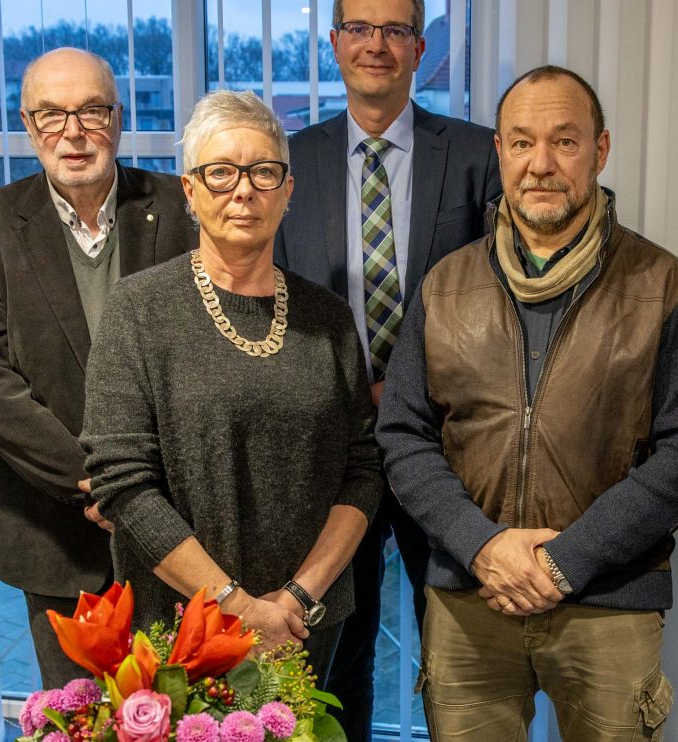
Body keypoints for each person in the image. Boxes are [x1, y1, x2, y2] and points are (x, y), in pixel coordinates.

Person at [377, 65, 678, 741]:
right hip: (468, 597)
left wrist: (569, 558)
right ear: (499, 152)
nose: (541, 163)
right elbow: (403, 435)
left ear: (600, 150)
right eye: (522, 142)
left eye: (565, 142)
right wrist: (483, 548)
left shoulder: (664, 285)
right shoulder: (444, 286)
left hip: (609, 603)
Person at [79, 90, 382, 684]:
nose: (243, 190)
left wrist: (293, 598)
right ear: (190, 191)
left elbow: (363, 467)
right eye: (220, 173)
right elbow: (123, 481)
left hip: (306, 621)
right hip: (182, 621)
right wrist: (239, 606)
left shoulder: (328, 316)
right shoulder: (138, 310)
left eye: (264, 172)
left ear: (287, 191)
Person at [274, 0, 501, 736]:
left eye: (395, 30)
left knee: (464, 653)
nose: (377, 45)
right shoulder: (288, 162)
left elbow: (501, 302)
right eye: (360, 30)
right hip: (330, 453)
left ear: (419, 46)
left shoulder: (476, 155)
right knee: (335, 651)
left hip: (448, 449)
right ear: (334, 43)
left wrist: (403, 388)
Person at [0, 47, 197, 689]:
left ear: (119, 115)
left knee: (193, 712)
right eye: (52, 115)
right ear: (29, 127)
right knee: (79, 716)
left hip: (181, 522)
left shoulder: (184, 210)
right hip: (54, 527)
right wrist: (97, 484)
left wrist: (143, 492)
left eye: (90, 110)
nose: (74, 133)